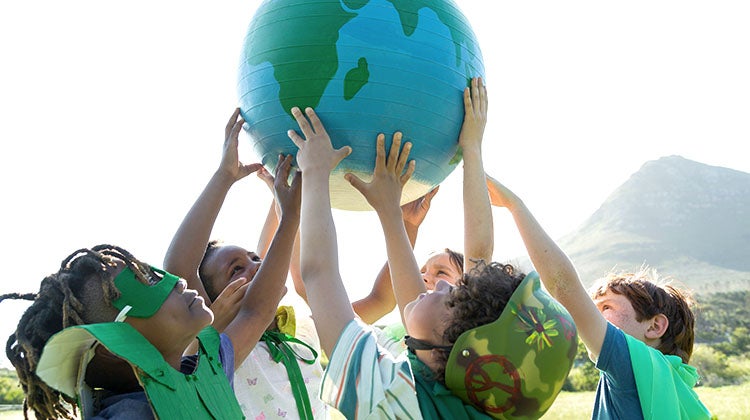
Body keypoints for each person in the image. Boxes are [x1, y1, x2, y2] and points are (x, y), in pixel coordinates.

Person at [289, 77, 577, 419]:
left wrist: (315, 173)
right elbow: (456, 276)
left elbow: (319, 276)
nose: (442, 284)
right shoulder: (462, 398)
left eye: (454, 298)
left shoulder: (386, 396)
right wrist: (392, 215)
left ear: (458, 353)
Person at [485, 175, 712, 419]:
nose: (591, 315)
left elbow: (563, 286)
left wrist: (515, 206)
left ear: (655, 326)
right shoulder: (677, 389)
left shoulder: (633, 365)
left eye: (605, 307)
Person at [163, 108, 335, 420]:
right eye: (236, 269)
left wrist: (285, 208)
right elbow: (180, 266)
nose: (256, 266)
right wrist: (224, 177)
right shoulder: (220, 343)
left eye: (256, 259)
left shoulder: (302, 334)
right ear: (211, 299)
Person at [4, 240, 295, 419]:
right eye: (147, 285)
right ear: (115, 347)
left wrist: (291, 202)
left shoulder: (208, 372)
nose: (178, 282)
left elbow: (258, 310)